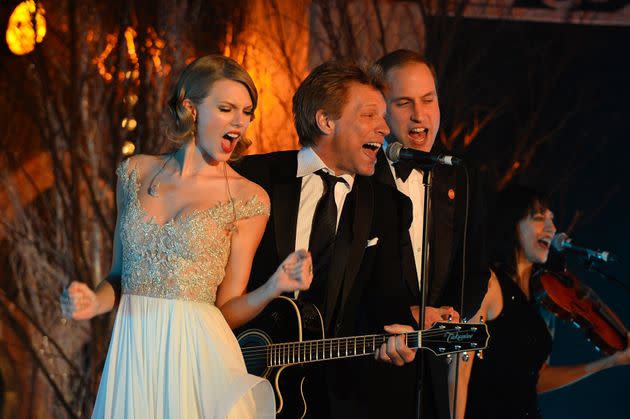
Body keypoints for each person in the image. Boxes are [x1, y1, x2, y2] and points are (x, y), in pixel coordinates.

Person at [59, 55, 313, 418]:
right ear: (191, 109)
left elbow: (228, 309)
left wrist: (273, 286)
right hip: (133, 356)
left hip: (197, 363)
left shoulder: (248, 199)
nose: (239, 122)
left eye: (247, 111)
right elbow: (119, 276)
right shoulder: (134, 172)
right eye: (226, 108)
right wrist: (92, 303)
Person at [235, 59, 414, 418]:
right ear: (326, 121)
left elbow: (388, 298)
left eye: (384, 117)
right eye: (369, 116)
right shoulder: (250, 178)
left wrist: (400, 334)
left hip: (332, 400)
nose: (384, 129)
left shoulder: (387, 207)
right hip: (239, 385)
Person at [360, 49, 492, 419]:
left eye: (428, 100)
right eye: (404, 103)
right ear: (381, 110)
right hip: (368, 370)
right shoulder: (360, 179)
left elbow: (476, 265)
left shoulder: (460, 176)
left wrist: (449, 316)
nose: (420, 115)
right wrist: (406, 314)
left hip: (433, 377)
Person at [462, 184, 630, 419]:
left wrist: (609, 363)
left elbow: (535, 379)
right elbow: (459, 372)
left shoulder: (537, 297)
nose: (552, 229)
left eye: (552, 219)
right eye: (539, 218)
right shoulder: (489, 285)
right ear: (513, 224)